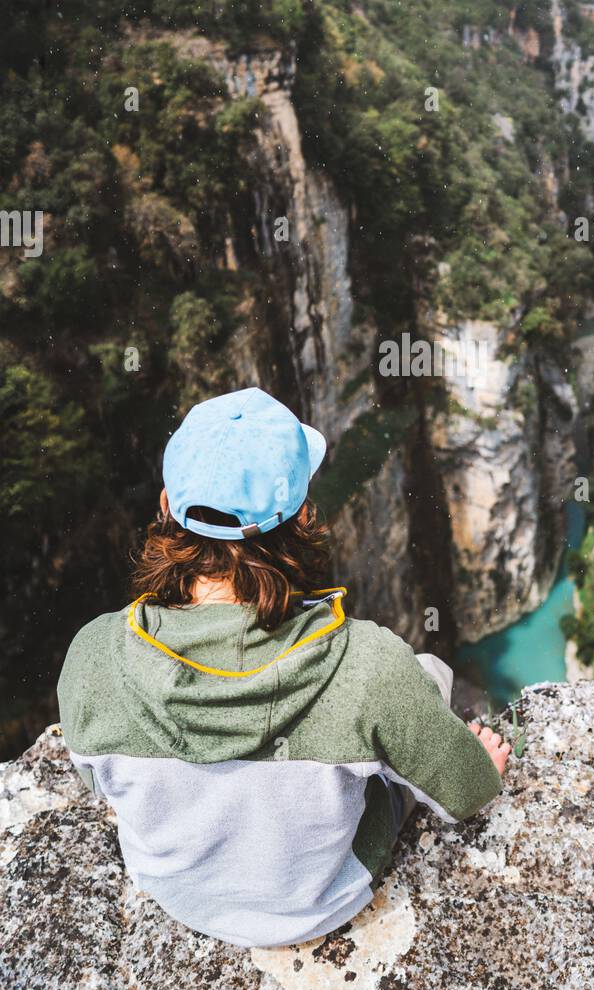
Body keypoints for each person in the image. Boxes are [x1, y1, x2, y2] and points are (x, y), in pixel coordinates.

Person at [57, 386, 510, 948]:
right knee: (428, 675)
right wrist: (480, 766)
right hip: (320, 902)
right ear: (301, 515)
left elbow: (95, 783)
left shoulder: (93, 656)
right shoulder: (366, 666)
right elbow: (467, 794)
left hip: (177, 894)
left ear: (168, 506)